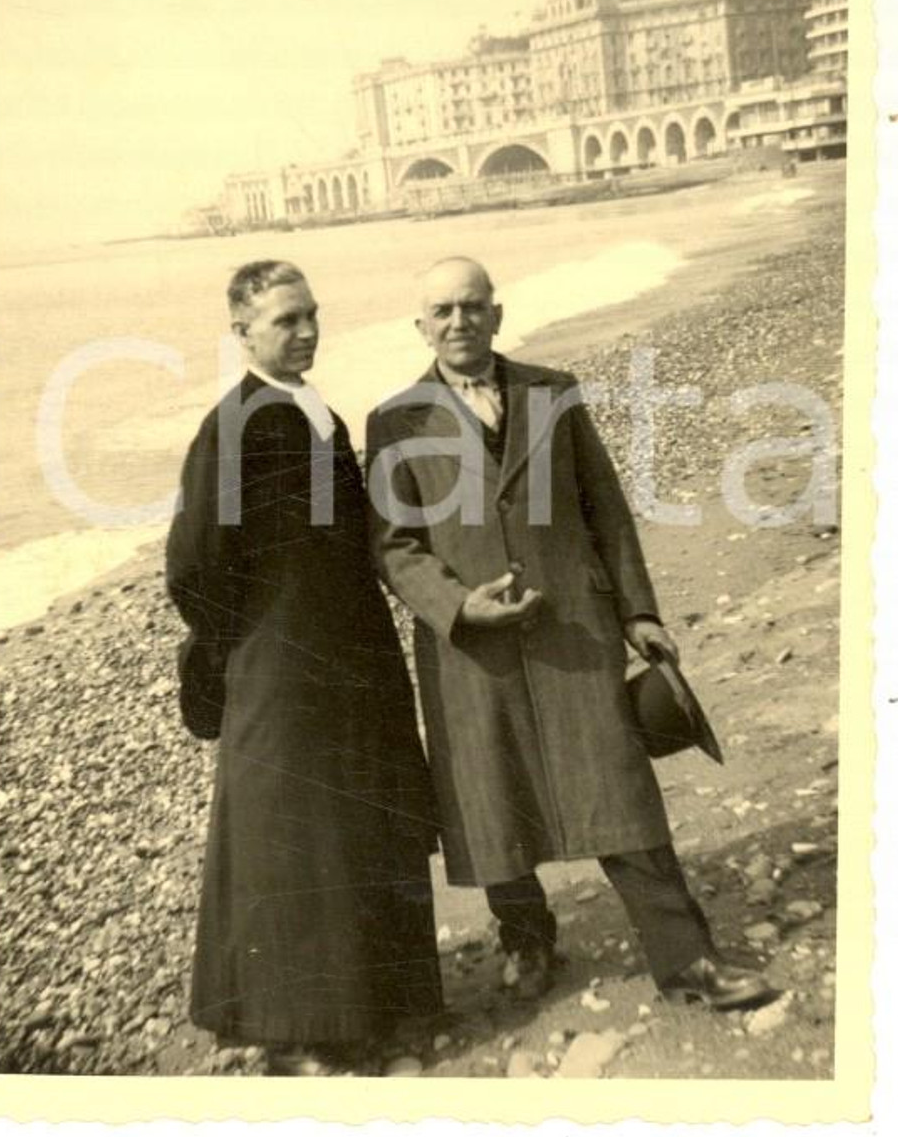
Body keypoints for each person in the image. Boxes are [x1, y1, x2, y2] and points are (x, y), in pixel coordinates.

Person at [364, 256, 774, 1011]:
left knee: (620, 787)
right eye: (443, 310)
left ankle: (689, 960)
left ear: (497, 312)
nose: (459, 321)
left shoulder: (554, 393)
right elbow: (394, 545)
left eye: (472, 306)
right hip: (470, 649)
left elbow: (605, 507)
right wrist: (458, 607)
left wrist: (638, 612)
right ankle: (527, 940)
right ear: (420, 326)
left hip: (575, 631)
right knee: (490, 800)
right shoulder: (395, 421)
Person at [166, 259, 443, 1074]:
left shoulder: (314, 410)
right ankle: (301, 1034)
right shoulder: (237, 422)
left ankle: (369, 1010)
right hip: (281, 667)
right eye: (286, 320)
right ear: (242, 333)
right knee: (293, 842)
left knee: (352, 824)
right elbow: (191, 563)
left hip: (347, 653)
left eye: (312, 315)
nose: (307, 331)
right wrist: (241, 652)